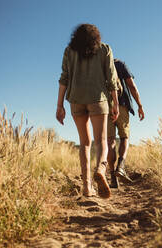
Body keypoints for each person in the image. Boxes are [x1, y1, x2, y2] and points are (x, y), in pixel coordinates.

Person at [56, 24, 119, 199]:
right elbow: (111, 78)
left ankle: (86, 187)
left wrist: (59, 105)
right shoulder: (105, 49)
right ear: (96, 36)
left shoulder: (69, 51)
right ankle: (100, 169)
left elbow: (64, 78)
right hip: (98, 98)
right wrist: (114, 102)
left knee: (84, 143)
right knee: (101, 141)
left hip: (76, 100)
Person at [107, 58, 145, 188]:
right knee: (124, 137)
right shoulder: (119, 64)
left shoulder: (99, 65)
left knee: (110, 141)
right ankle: (121, 167)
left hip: (104, 107)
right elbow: (132, 86)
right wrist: (139, 105)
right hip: (122, 106)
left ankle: (113, 178)